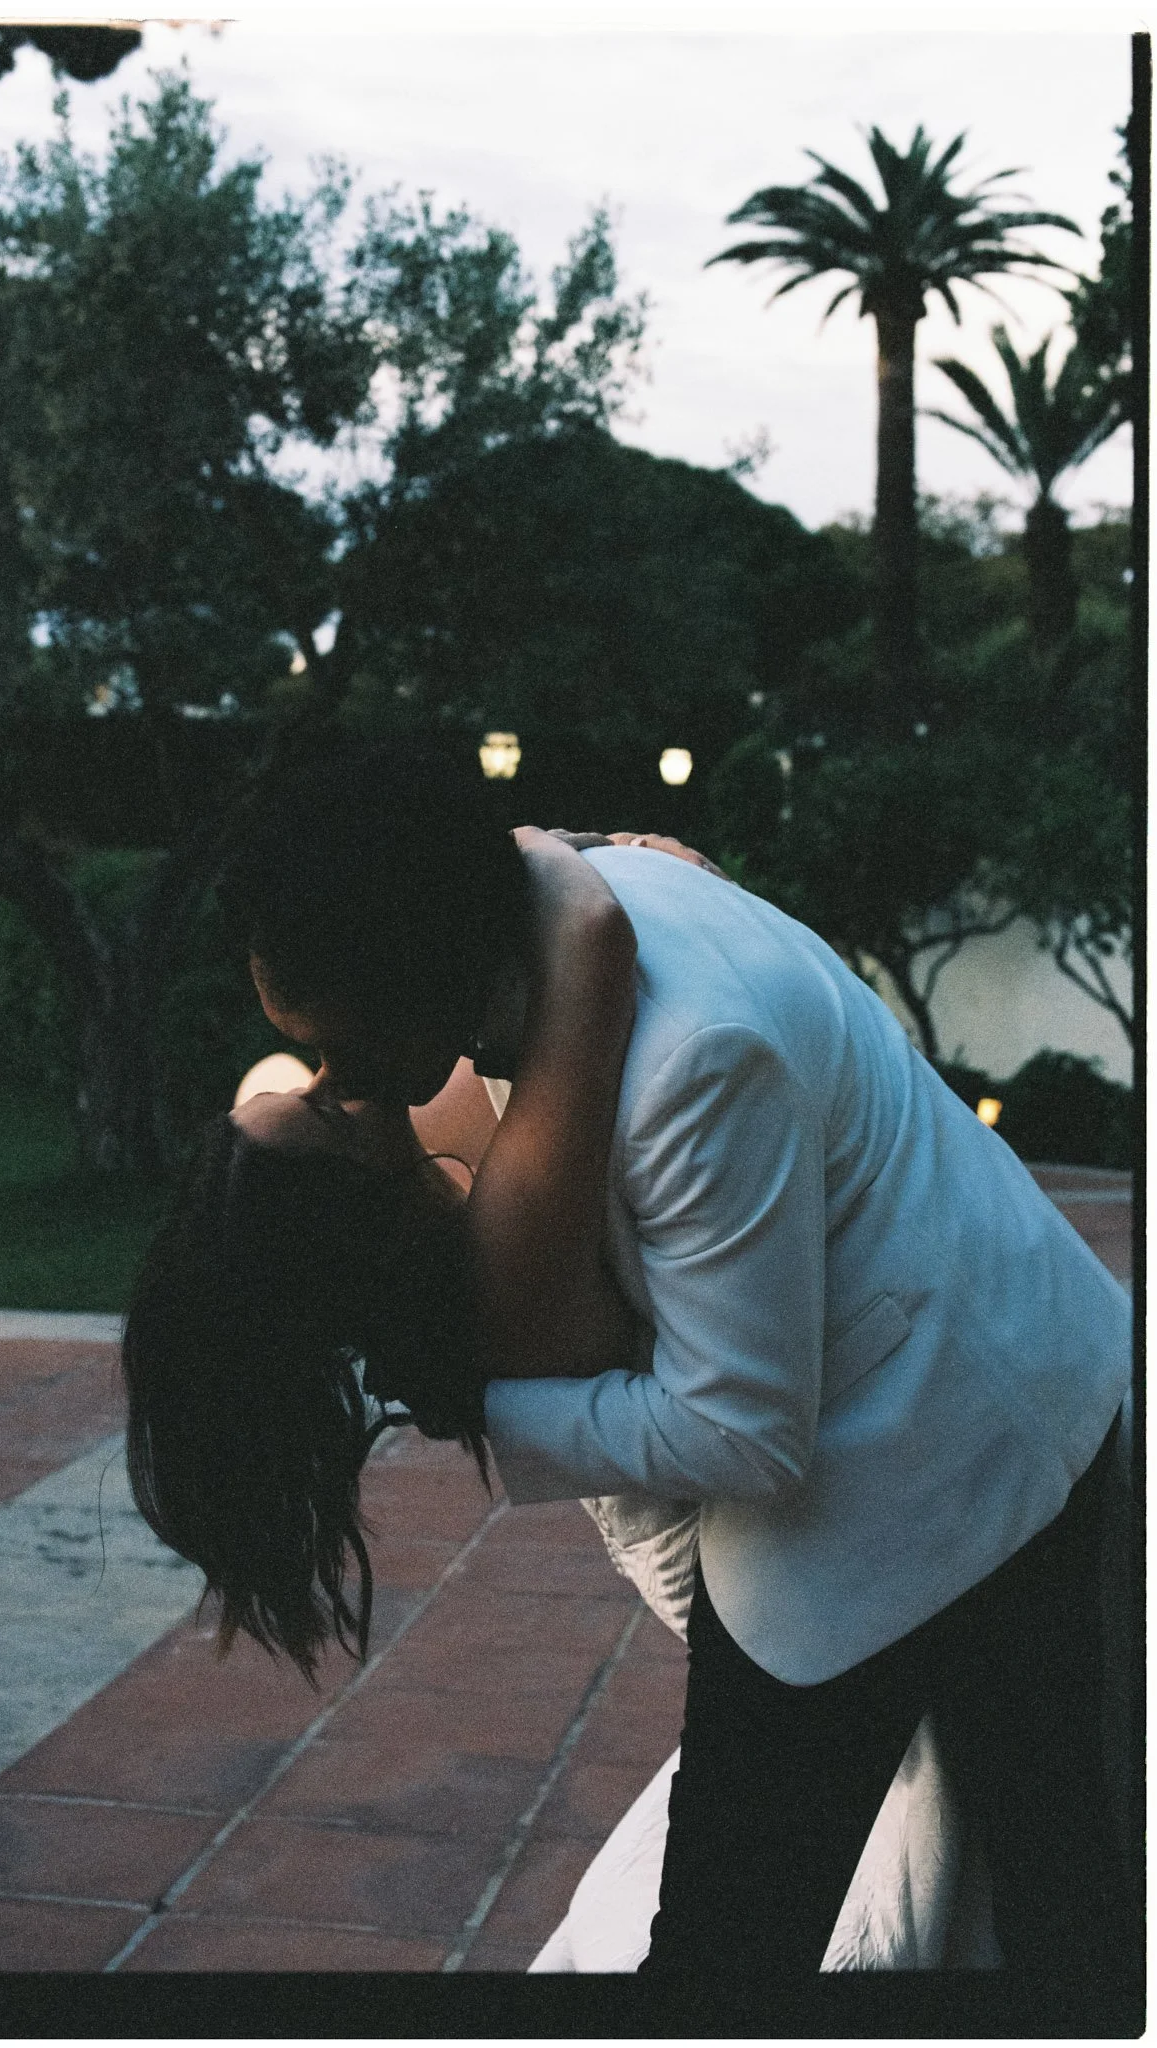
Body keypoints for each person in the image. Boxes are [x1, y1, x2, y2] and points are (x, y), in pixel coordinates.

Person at [122, 736, 1132, 1980]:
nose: (330, 1072)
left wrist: (486, 1406)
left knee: (898, 1909)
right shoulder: (530, 991)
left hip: (948, 1419)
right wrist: (568, 860)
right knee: (1035, 1888)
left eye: (334, 1041)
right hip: (892, 1417)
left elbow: (748, 1432)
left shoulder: (686, 1054)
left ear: (425, 968)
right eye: (316, 1075)